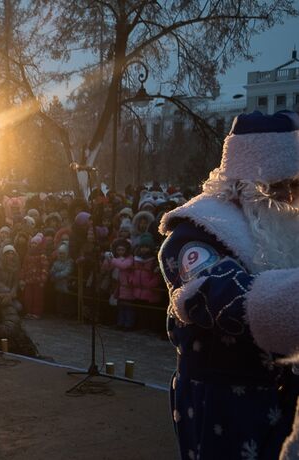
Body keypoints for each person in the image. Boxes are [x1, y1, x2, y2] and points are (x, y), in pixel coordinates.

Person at [159, 111, 299, 460]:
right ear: (249, 183)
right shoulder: (197, 232)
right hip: (225, 407)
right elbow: (217, 298)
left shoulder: (286, 229)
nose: (291, 201)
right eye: (282, 188)